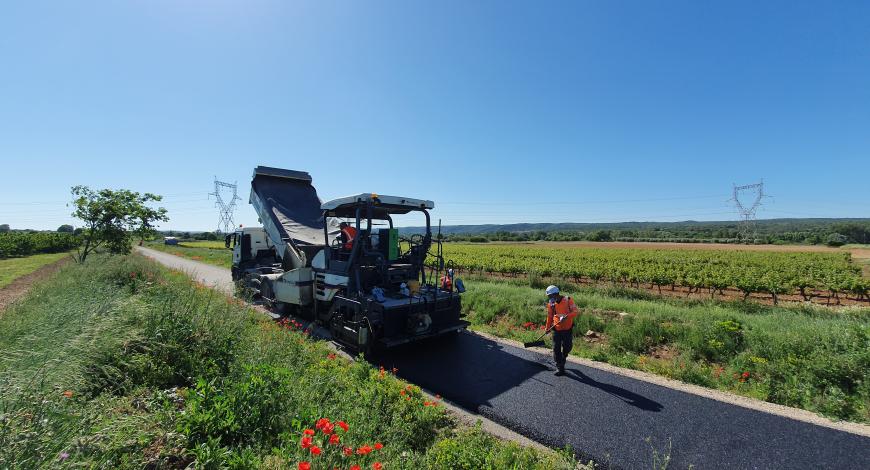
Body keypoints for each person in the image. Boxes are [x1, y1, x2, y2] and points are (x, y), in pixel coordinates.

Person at [545, 285, 578, 376]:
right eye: (548, 297)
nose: (550, 298)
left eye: (550, 296)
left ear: (556, 294)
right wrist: (547, 327)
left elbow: (575, 311)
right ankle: (560, 367)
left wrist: (566, 317)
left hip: (567, 329)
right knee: (556, 348)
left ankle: (564, 356)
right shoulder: (551, 304)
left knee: (568, 347)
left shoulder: (568, 300)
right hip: (557, 329)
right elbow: (550, 316)